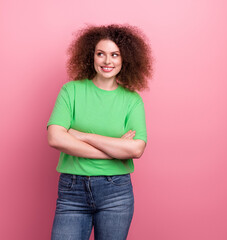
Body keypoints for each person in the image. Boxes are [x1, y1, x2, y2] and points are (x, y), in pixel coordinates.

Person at [47, 24, 153, 240]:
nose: (107, 61)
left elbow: (137, 148)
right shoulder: (71, 91)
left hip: (116, 192)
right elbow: (55, 137)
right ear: (91, 56)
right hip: (72, 191)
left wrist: (83, 135)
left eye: (115, 55)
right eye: (101, 54)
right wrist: (114, 150)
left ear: (125, 59)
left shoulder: (132, 101)